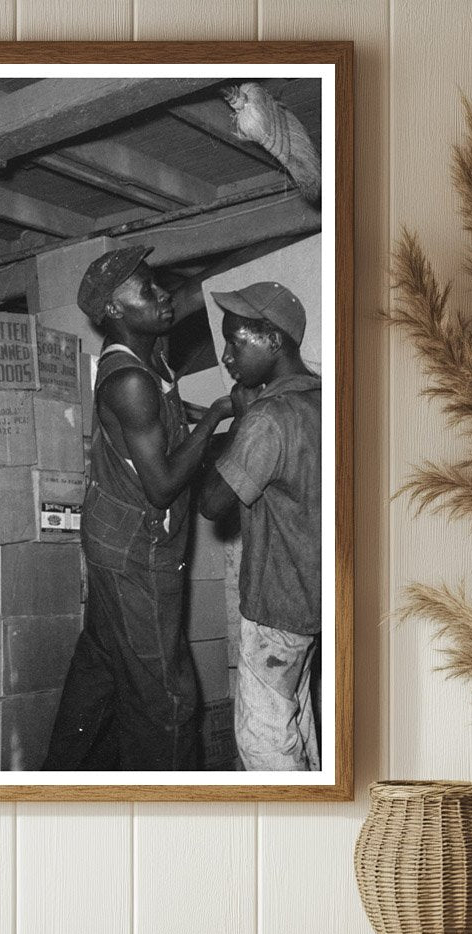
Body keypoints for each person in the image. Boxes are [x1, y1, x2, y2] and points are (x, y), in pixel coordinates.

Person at [42, 246, 234, 771]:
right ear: (116, 312)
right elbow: (163, 485)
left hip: (111, 539)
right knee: (167, 697)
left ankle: (55, 784)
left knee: (102, 665)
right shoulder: (130, 380)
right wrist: (216, 414)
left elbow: (161, 416)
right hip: (137, 554)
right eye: (147, 292)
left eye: (158, 284)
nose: (163, 295)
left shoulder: (147, 354)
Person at [200, 281, 322, 771]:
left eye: (236, 341)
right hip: (316, 599)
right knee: (296, 722)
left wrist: (245, 418)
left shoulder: (269, 417)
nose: (226, 356)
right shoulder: (325, 401)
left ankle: (293, 836)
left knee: (263, 739)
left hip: (277, 605)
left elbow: (212, 502)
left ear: (273, 340)